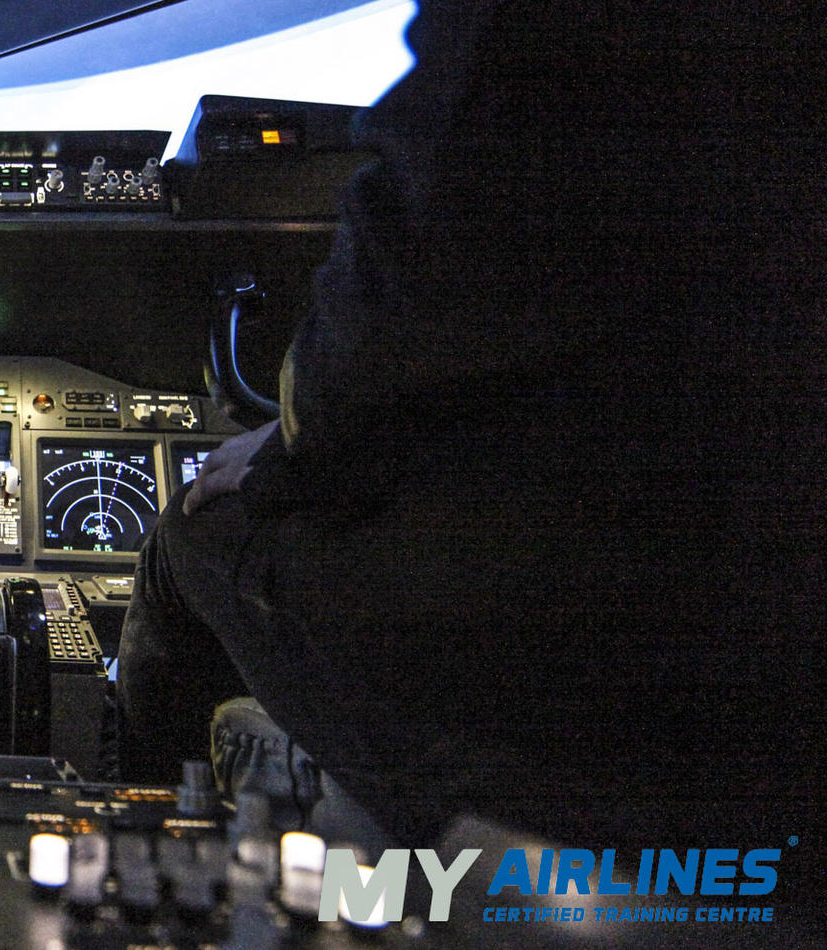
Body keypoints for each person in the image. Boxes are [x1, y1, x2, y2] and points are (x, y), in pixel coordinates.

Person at [118, 0, 821, 850]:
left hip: (576, 631)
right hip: (760, 619)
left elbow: (405, 280)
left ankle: (174, 836)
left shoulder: (533, 39)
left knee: (189, 538)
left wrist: (289, 444)